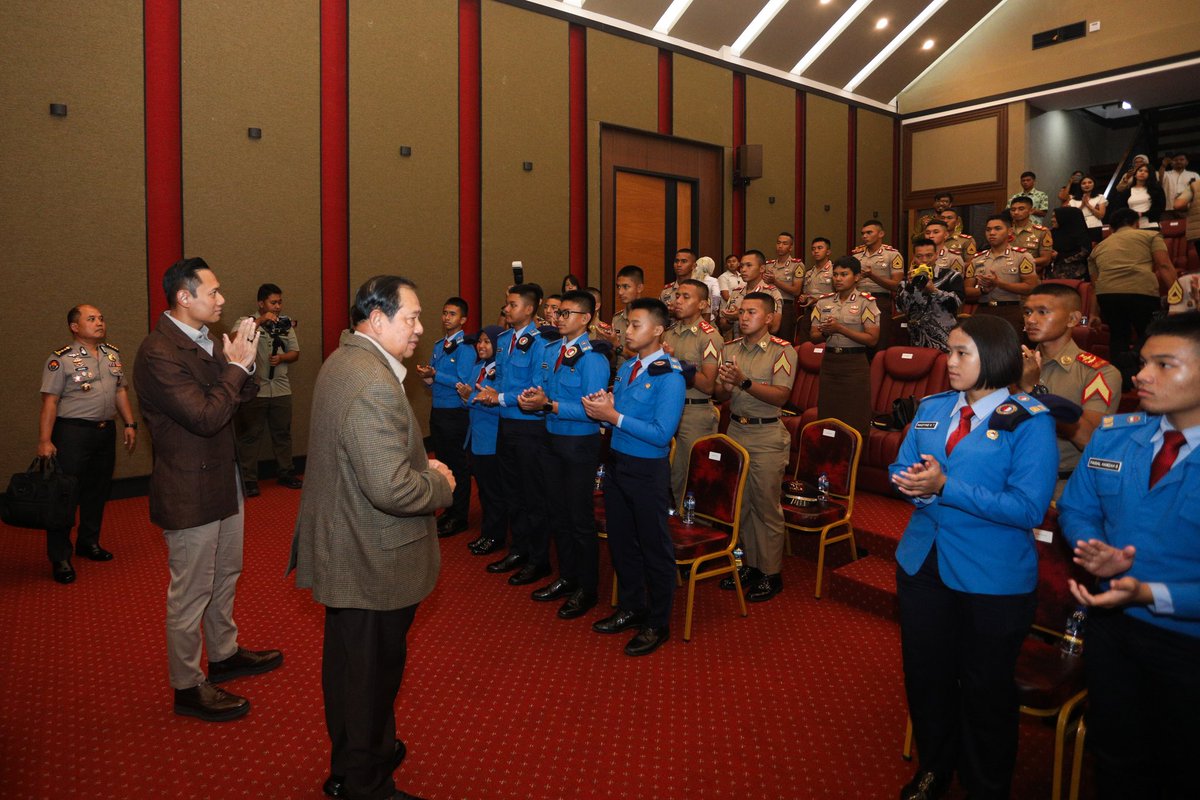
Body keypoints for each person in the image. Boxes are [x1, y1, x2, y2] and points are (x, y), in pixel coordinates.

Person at [288, 275, 454, 800]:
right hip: (370, 554)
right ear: (377, 320)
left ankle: (357, 758)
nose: (420, 328)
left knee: (350, 669)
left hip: (350, 539)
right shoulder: (372, 382)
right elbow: (391, 488)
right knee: (369, 680)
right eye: (412, 318)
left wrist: (415, 464)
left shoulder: (346, 359)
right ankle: (366, 782)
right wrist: (440, 484)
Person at [890, 315, 1058, 800]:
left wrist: (946, 486)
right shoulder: (933, 407)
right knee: (927, 675)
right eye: (950, 351)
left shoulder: (1030, 422)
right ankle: (935, 768)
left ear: (996, 357)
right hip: (923, 563)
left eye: (963, 353)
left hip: (992, 575)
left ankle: (986, 785)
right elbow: (902, 466)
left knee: (985, 687)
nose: (950, 361)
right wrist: (919, 488)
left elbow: (1027, 508)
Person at [1058, 311, 1200, 800]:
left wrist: (1151, 593)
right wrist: (1091, 546)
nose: (1141, 376)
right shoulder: (1117, 434)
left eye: (1164, 365)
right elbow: (1077, 508)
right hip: (1113, 631)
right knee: (1115, 757)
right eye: (1143, 363)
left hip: (1188, 644)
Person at [134, 257, 282, 722]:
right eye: (213, 292)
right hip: (189, 485)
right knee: (191, 591)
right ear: (184, 297)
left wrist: (244, 362)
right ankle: (187, 685)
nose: (221, 300)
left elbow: (243, 396)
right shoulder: (158, 351)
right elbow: (204, 416)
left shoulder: (207, 340)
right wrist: (235, 367)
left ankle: (223, 653)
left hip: (223, 475)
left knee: (226, 574)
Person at [582, 298, 684, 657]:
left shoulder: (670, 376)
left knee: (654, 547)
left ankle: (657, 622)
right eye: (627, 324)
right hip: (617, 464)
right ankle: (631, 607)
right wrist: (605, 405)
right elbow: (618, 415)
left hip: (646, 471)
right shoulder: (627, 368)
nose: (627, 331)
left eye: (636, 325)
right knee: (622, 542)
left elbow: (661, 433)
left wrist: (613, 416)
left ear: (657, 330)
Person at [517, 290, 609, 619]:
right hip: (551, 439)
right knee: (557, 513)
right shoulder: (553, 349)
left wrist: (550, 405)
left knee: (579, 518)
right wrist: (535, 397)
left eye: (567, 313)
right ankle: (567, 576)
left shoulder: (593, 358)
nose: (559, 318)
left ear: (586, 318)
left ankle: (587, 587)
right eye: (559, 313)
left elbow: (594, 411)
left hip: (578, 444)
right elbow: (546, 390)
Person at [38, 304, 137, 583]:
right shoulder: (61, 359)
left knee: (97, 490)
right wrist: (45, 440)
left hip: (105, 432)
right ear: (75, 327)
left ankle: (88, 542)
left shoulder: (111, 354)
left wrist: (130, 423)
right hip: (73, 433)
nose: (99, 322)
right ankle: (60, 556)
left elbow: (120, 391)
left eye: (101, 318)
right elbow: (50, 402)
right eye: (91, 319)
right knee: (65, 494)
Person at [714, 292, 797, 602]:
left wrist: (744, 381)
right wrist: (726, 385)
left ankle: (771, 573)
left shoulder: (782, 351)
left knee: (765, 505)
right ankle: (751, 564)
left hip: (766, 435)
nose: (744, 317)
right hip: (736, 429)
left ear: (769, 318)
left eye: (752, 312)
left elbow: (781, 396)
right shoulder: (730, 348)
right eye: (742, 312)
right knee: (742, 504)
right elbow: (721, 394)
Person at [473, 284, 551, 585]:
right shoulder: (504, 339)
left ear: (529, 309)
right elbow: (502, 379)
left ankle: (539, 559)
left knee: (533, 497)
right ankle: (519, 549)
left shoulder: (541, 342)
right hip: (506, 425)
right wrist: (491, 392)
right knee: (513, 494)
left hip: (529, 426)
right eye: (506, 304)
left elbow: (536, 386)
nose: (506, 309)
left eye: (513, 304)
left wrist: (500, 397)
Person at [1019, 283, 1121, 499]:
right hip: (1012, 478)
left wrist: (1034, 392)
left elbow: (1088, 438)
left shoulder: (1098, 372)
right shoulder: (1014, 365)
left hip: (1064, 486)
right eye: (1027, 312)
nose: (1031, 320)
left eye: (1042, 312)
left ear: (1072, 319)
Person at [1087, 208, 1177, 385]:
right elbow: (1164, 266)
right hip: (1141, 291)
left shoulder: (1098, 248)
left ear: (1111, 228)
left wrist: (1093, 314)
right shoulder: (1151, 236)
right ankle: (1139, 361)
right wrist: (1179, 295)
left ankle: (1121, 383)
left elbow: (1094, 285)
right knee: (1149, 332)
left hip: (1107, 294)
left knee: (1118, 336)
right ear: (1136, 223)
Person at [235, 283, 302, 498]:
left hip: (281, 388)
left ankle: (286, 472)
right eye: (273, 303)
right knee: (251, 436)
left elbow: (295, 352)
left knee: (283, 434)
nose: (278, 307)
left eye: (280, 302)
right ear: (261, 304)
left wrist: (282, 358)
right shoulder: (247, 322)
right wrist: (260, 321)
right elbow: (234, 339)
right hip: (255, 390)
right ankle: (248, 479)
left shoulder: (285, 324)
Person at [662, 278, 723, 511]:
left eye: (686, 297)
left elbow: (708, 385)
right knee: (667, 472)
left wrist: (675, 363)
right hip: (668, 408)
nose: (678, 301)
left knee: (687, 476)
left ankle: (686, 523)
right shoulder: (669, 333)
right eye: (677, 295)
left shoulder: (709, 336)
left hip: (694, 411)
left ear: (702, 304)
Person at [415, 297, 473, 537]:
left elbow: (463, 381)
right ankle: (449, 510)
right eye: (444, 313)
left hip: (455, 413)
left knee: (458, 466)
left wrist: (436, 374)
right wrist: (427, 377)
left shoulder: (466, 347)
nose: (447, 318)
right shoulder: (439, 345)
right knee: (443, 464)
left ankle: (459, 516)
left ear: (463, 319)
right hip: (438, 410)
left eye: (452, 314)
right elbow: (432, 384)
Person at [810, 256, 880, 436]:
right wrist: (826, 332)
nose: (838, 279)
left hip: (854, 364)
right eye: (835, 275)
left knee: (855, 417)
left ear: (856, 277)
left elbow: (872, 339)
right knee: (827, 415)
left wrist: (840, 329)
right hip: (830, 363)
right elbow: (813, 336)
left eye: (844, 274)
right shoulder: (823, 302)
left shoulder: (866, 302)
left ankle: (857, 452)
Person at [459, 326, 505, 557]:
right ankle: (487, 533)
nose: (481, 346)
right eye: (480, 341)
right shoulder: (478, 367)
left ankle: (495, 536)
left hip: (492, 439)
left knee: (494, 492)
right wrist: (467, 397)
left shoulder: (501, 371)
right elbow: (469, 399)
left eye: (487, 342)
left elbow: (501, 406)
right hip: (475, 438)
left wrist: (473, 398)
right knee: (484, 492)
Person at [964, 211, 1039, 335]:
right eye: (988, 230)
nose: (992, 233)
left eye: (997, 229)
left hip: (1010, 310)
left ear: (1009, 231)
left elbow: (1031, 287)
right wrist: (983, 291)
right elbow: (966, 291)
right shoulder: (977, 259)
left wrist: (999, 283)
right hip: (983, 310)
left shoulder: (1022, 256)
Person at [895, 237, 965, 352]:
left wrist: (934, 291)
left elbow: (956, 303)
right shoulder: (907, 280)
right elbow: (900, 308)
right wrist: (910, 287)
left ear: (936, 255)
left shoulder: (951, 276)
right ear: (914, 258)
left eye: (929, 256)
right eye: (919, 256)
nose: (924, 260)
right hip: (916, 340)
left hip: (945, 340)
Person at [852, 220, 904, 352]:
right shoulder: (856, 256)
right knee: (857, 342)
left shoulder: (892, 255)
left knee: (879, 343)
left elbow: (897, 285)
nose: (864, 236)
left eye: (869, 232)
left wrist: (872, 276)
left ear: (881, 234)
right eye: (863, 233)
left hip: (879, 301)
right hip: (858, 301)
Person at [721, 250, 782, 337]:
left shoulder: (771, 293)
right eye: (741, 266)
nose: (743, 270)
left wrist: (739, 316)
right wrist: (730, 320)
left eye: (749, 265)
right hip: (738, 342)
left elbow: (774, 327)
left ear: (762, 268)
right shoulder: (736, 292)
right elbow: (723, 325)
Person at [762, 232, 806, 341]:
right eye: (778, 243)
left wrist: (775, 281)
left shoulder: (797, 265)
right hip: (769, 306)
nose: (780, 246)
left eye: (784, 243)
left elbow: (796, 291)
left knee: (784, 341)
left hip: (786, 306)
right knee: (766, 340)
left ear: (791, 247)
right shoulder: (768, 265)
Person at [659, 248, 720, 323]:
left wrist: (676, 312)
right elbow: (659, 316)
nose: (679, 265)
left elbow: (706, 318)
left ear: (694, 266)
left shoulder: (700, 289)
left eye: (684, 261)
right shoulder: (666, 290)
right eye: (676, 261)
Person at [1111, 163, 1166, 229]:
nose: (1142, 173)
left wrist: (1142, 214)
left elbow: (1160, 207)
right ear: (1135, 174)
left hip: (1151, 224)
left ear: (1150, 175)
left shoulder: (1156, 189)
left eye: (1146, 171)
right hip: (1132, 226)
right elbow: (1120, 208)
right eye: (1140, 170)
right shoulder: (1127, 191)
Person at [610, 265, 644, 370]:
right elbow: (613, 362)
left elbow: (647, 359)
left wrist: (618, 347)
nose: (620, 292)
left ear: (639, 288)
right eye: (618, 287)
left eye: (625, 287)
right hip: (620, 374)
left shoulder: (649, 319)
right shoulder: (617, 319)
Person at [1045, 205, 1092, 281]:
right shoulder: (1051, 233)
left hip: (1074, 276)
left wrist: (1059, 256)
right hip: (1051, 274)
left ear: (1065, 218)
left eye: (1055, 217)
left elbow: (1084, 253)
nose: (1052, 220)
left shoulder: (1080, 235)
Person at [1009, 196, 1054, 274]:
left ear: (1031, 211)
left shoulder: (1041, 232)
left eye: (1021, 209)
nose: (1016, 212)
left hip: (1031, 274)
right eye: (1013, 210)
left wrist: (1021, 263)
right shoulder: (1006, 231)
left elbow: (1046, 259)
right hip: (1006, 273)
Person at [1067, 175, 1107, 244]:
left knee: (1096, 247)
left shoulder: (1100, 197)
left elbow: (1101, 215)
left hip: (1095, 226)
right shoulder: (1073, 200)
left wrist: (1088, 205)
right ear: (1080, 186)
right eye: (1084, 183)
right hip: (1079, 227)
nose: (1087, 185)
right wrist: (1082, 205)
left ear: (1094, 184)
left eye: (1089, 182)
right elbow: (1072, 217)